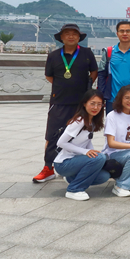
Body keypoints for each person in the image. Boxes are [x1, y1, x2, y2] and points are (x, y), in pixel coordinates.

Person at [34, 23, 98, 184]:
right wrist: (63, 86)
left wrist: (86, 86)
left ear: (79, 37)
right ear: (61, 37)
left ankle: (73, 166)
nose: (71, 36)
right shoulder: (54, 55)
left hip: (80, 103)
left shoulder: (87, 53)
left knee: (80, 135)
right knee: (52, 135)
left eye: (74, 34)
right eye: (67, 33)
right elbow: (49, 76)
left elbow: (94, 71)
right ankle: (48, 168)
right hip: (59, 101)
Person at [53, 90, 110, 200]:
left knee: (103, 176)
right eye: (92, 103)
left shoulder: (92, 121)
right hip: (64, 163)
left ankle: (71, 179)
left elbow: (87, 141)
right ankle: (74, 189)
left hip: (76, 161)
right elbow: (61, 143)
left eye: (99, 104)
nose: (96, 107)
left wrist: (93, 152)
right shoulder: (79, 121)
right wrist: (86, 152)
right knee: (100, 158)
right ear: (84, 103)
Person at [97, 20, 130, 114]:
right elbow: (101, 75)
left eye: (128, 31)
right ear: (117, 33)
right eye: (122, 31)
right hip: (112, 99)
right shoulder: (109, 52)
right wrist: (101, 95)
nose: (125, 34)